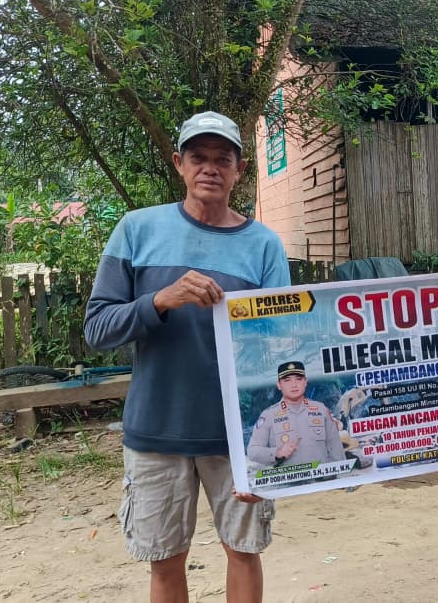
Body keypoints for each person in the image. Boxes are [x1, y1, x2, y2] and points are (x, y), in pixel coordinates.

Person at [84, 111, 290, 603]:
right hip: (158, 427)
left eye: (224, 159)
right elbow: (97, 328)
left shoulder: (264, 245)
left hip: (237, 437)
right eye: (199, 157)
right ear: (179, 163)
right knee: (165, 561)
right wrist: (160, 300)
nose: (210, 169)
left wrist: (265, 444)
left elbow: (284, 344)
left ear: (241, 170)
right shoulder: (136, 230)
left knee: (243, 550)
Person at [246, 361, 344, 469]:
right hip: (287, 483)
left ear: (305, 382)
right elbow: (252, 451)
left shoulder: (321, 410)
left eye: (298, 379)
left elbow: (336, 449)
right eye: (287, 380)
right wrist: (276, 453)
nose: (294, 385)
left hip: (320, 481)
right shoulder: (268, 415)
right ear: (279, 385)